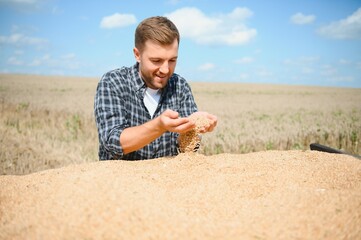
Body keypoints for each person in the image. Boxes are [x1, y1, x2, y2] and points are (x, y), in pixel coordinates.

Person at [94, 16, 217, 160]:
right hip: (118, 181)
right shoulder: (113, 82)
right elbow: (112, 143)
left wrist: (192, 128)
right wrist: (159, 125)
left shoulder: (180, 87)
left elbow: (186, 151)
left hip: (166, 181)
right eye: (156, 61)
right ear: (137, 55)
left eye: (172, 60)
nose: (165, 70)